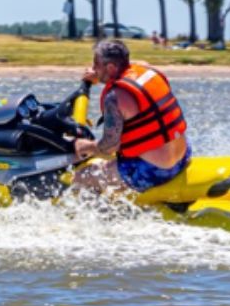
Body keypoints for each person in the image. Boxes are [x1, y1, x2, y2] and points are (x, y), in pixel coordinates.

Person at [71, 39, 190, 194]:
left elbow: (109, 146)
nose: (93, 69)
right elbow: (133, 65)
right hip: (183, 156)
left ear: (111, 67)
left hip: (156, 171)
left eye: (96, 65)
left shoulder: (114, 98)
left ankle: (102, 217)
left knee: (83, 177)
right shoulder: (149, 70)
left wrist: (84, 146)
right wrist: (100, 74)